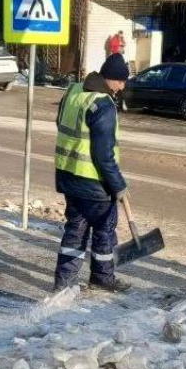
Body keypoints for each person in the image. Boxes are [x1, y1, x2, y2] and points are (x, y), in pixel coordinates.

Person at [53, 53, 131, 293]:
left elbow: (60, 122)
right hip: (93, 183)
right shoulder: (104, 105)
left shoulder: (74, 90)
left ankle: (64, 284)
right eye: (122, 82)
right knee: (104, 230)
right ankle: (102, 277)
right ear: (114, 80)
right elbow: (104, 155)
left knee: (75, 229)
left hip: (67, 174)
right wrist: (119, 185)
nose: (123, 87)